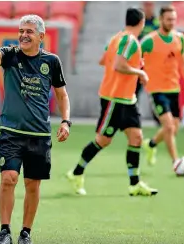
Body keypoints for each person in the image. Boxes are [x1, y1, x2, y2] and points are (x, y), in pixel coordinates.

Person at [0, 15, 71, 244]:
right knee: (9, 178)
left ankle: (26, 233)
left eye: (29, 31)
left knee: (32, 184)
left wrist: (66, 121)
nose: (23, 35)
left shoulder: (51, 61)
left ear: (41, 36)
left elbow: (62, 95)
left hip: (39, 134)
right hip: (11, 131)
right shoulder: (10, 55)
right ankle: (4, 231)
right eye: (21, 30)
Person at [67, 8, 158, 197]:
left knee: (136, 138)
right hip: (114, 98)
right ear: (141, 23)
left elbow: (104, 61)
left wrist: (127, 67)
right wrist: (139, 71)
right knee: (103, 140)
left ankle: (134, 183)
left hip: (127, 98)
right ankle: (76, 173)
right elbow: (118, 64)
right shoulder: (129, 41)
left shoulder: (116, 38)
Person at [141, 6, 184, 166]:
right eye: (168, 19)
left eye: (174, 19)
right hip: (156, 89)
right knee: (168, 126)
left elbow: (183, 63)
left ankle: (151, 144)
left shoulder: (179, 38)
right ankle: (176, 162)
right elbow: (135, 57)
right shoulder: (149, 41)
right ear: (160, 20)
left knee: (174, 128)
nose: (172, 22)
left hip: (174, 89)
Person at [135, 1, 160, 125]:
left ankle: (159, 117)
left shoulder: (157, 23)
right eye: (145, 4)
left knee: (155, 92)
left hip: (152, 64)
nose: (147, 7)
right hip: (138, 64)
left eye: (149, 4)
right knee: (134, 92)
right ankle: (133, 117)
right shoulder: (137, 21)